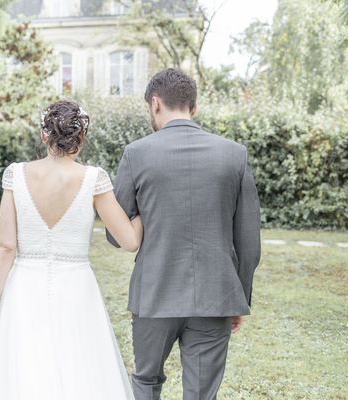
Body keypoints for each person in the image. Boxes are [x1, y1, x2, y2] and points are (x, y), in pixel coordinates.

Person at [0, 100, 142, 400]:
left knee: (28, 372)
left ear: (43, 135)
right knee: (81, 370)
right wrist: (146, 212)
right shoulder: (93, 178)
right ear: (81, 139)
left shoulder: (16, 175)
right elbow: (129, 241)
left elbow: (6, 246)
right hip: (77, 289)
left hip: (25, 287)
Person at [106, 68, 262, 400]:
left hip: (153, 295)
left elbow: (113, 233)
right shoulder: (234, 155)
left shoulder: (136, 154)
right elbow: (249, 243)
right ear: (194, 106)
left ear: (155, 103)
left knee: (146, 381)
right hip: (216, 297)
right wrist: (239, 298)